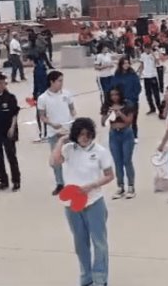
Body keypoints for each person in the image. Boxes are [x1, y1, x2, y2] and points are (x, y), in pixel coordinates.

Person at [50, 118, 114, 286]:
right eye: (80, 134)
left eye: (87, 134)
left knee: (99, 242)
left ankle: (100, 279)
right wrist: (61, 141)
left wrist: (92, 186)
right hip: (72, 204)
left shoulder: (100, 151)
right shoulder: (68, 149)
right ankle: (86, 277)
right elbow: (54, 162)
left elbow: (109, 175)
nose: (84, 137)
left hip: (94, 201)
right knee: (80, 243)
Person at [37, 71, 76, 196]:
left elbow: (72, 108)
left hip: (69, 131)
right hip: (54, 132)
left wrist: (74, 118)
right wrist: (52, 124)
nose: (61, 83)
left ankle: (74, 182)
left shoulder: (67, 94)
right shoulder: (43, 98)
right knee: (56, 159)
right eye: (59, 81)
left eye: (62, 80)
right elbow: (42, 116)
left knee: (73, 157)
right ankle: (60, 183)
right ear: (51, 82)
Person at [100, 87, 136, 199]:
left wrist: (119, 113)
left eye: (116, 94)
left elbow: (129, 121)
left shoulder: (127, 104)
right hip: (114, 135)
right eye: (112, 95)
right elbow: (103, 123)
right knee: (117, 162)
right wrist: (108, 114)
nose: (114, 97)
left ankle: (131, 186)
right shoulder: (107, 106)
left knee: (127, 160)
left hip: (126, 133)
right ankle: (120, 186)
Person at [111, 57, 142, 140]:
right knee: (122, 119)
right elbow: (114, 88)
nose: (126, 65)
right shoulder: (117, 75)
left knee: (133, 119)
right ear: (121, 64)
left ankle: (135, 135)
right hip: (122, 101)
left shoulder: (133, 74)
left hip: (132, 100)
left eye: (127, 63)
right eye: (124, 63)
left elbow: (138, 87)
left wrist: (133, 97)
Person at [138, 44, 163, 117]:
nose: (146, 50)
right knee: (148, 94)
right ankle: (152, 108)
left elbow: (158, 63)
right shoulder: (142, 55)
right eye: (145, 49)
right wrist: (140, 74)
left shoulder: (154, 55)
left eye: (148, 49)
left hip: (153, 76)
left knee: (156, 93)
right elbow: (142, 64)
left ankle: (159, 108)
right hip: (146, 76)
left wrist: (153, 55)